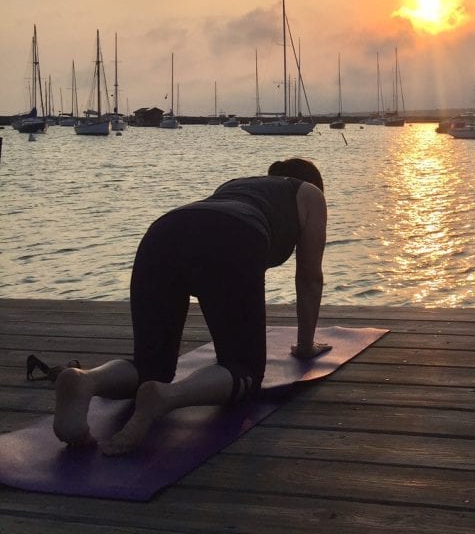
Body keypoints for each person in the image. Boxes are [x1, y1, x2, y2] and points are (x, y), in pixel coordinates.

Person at [52, 157, 332, 455]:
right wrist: (304, 347)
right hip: (231, 237)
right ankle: (168, 397)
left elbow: (203, 233)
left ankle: (86, 381)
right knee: (244, 369)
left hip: (162, 234)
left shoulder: (237, 185)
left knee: (152, 365)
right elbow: (309, 278)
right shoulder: (311, 194)